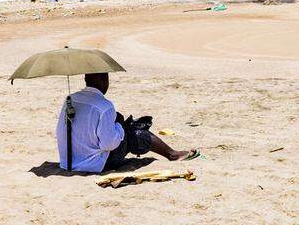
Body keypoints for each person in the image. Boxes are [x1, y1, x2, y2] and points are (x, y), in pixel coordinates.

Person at [56, 72, 198, 173]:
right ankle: (172, 154)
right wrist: (119, 127)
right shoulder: (104, 106)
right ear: (103, 80)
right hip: (95, 165)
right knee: (134, 132)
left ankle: (170, 152)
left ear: (86, 79)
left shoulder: (70, 99)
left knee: (124, 126)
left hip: (68, 162)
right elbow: (108, 144)